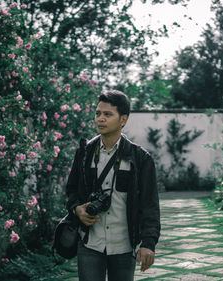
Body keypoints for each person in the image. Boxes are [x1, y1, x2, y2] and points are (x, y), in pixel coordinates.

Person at [65, 90, 160, 281]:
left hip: (124, 246)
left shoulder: (140, 159)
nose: (100, 119)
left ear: (122, 120)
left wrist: (148, 243)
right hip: (90, 243)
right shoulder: (84, 153)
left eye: (107, 114)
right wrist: (77, 210)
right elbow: (71, 191)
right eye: (98, 113)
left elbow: (149, 206)